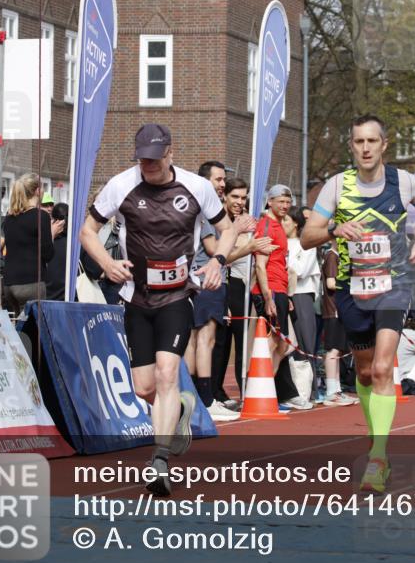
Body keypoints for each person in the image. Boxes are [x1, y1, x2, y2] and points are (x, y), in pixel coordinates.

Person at [79, 124, 254, 496]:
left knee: (167, 371)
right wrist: (107, 265)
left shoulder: (197, 187)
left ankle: (159, 461)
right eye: (143, 159)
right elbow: (87, 231)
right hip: (135, 296)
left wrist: (217, 261)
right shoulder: (121, 185)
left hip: (177, 295)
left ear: (170, 153)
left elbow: (226, 228)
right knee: (144, 388)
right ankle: (178, 410)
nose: (149, 166)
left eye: (155, 159)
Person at [301, 113, 415, 493]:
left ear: (384, 145)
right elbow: (306, 236)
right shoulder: (336, 186)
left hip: (393, 286)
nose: (365, 148)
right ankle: (378, 440)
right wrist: (333, 228)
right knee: (363, 374)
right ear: (352, 146)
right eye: (359, 142)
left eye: (372, 141)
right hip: (350, 289)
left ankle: (377, 457)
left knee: (382, 368)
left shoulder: (404, 182)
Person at [186, 161, 239, 422]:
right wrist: (238, 234)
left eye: (223, 179)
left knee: (195, 341)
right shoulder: (205, 208)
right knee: (204, 340)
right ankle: (206, 401)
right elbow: (213, 250)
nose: (222, 184)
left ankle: (194, 398)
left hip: (195, 280)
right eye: (218, 179)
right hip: (205, 279)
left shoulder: (196, 205)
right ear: (205, 181)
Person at [251, 184, 313, 411]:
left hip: (279, 290)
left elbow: (279, 263)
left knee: (280, 345)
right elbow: (260, 265)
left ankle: (266, 390)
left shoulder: (277, 226)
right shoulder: (267, 226)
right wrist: (268, 296)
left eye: (288, 202)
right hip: (269, 291)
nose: (285, 206)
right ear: (270, 202)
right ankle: (259, 391)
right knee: (273, 343)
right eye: (281, 201)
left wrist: (283, 295)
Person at [221, 177, 276, 397]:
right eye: (235, 196)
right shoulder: (223, 222)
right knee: (223, 342)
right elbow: (222, 257)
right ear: (225, 196)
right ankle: (217, 392)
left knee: (245, 341)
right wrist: (249, 246)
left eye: (243, 197)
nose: (239, 201)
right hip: (229, 283)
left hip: (248, 286)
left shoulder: (250, 221)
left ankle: (245, 389)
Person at [2, 173, 62, 315]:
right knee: (33, 330)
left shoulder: (10, 217)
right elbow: (48, 254)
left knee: (18, 328)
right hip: (30, 282)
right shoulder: (41, 216)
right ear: (37, 191)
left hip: (9, 283)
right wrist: (52, 234)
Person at [285, 207, 321, 401]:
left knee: (305, 341)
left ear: (296, 223)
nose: (282, 224)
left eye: (286, 221)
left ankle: (310, 390)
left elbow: (300, 271)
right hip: (282, 294)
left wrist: (283, 269)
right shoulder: (278, 242)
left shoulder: (306, 244)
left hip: (301, 295)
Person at [318, 240, 356, 407]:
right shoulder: (332, 257)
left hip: (341, 309)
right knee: (333, 350)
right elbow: (331, 283)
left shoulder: (340, 257)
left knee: (338, 350)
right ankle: (331, 392)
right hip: (334, 310)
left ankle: (336, 389)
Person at [45, 203, 69, 300]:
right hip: (69, 301)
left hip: (45, 300)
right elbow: (96, 271)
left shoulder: (43, 241)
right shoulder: (76, 243)